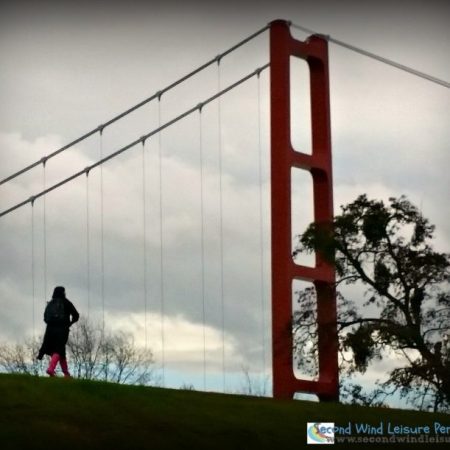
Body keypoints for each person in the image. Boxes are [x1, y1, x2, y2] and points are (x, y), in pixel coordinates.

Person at [37, 286, 79, 377]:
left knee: (59, 351)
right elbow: (76, 315)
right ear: (63, 293)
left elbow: (45, 318)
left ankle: (66, 374)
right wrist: (70, 323)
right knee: (59, 349)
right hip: (62, 329)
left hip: (50, 330)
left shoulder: (50, 303)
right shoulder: (66, 302)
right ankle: (51, 369)